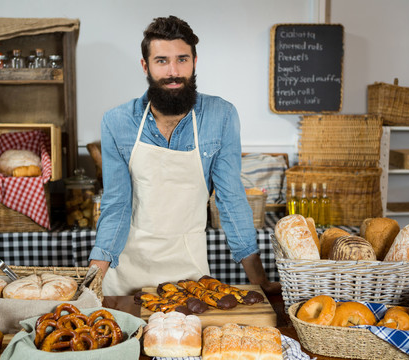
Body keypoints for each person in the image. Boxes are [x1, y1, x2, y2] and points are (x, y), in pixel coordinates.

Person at [89, 15, 280, 296]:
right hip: (128, 270)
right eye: (162, 61)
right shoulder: (117, 121)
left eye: (182, 59)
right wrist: (92, 281)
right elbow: (116, 205)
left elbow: (231, 200)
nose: (173, 71)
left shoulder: (221, 116)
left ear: (195, 61)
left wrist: (259, 280)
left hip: (189, 271)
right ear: (146, 66)